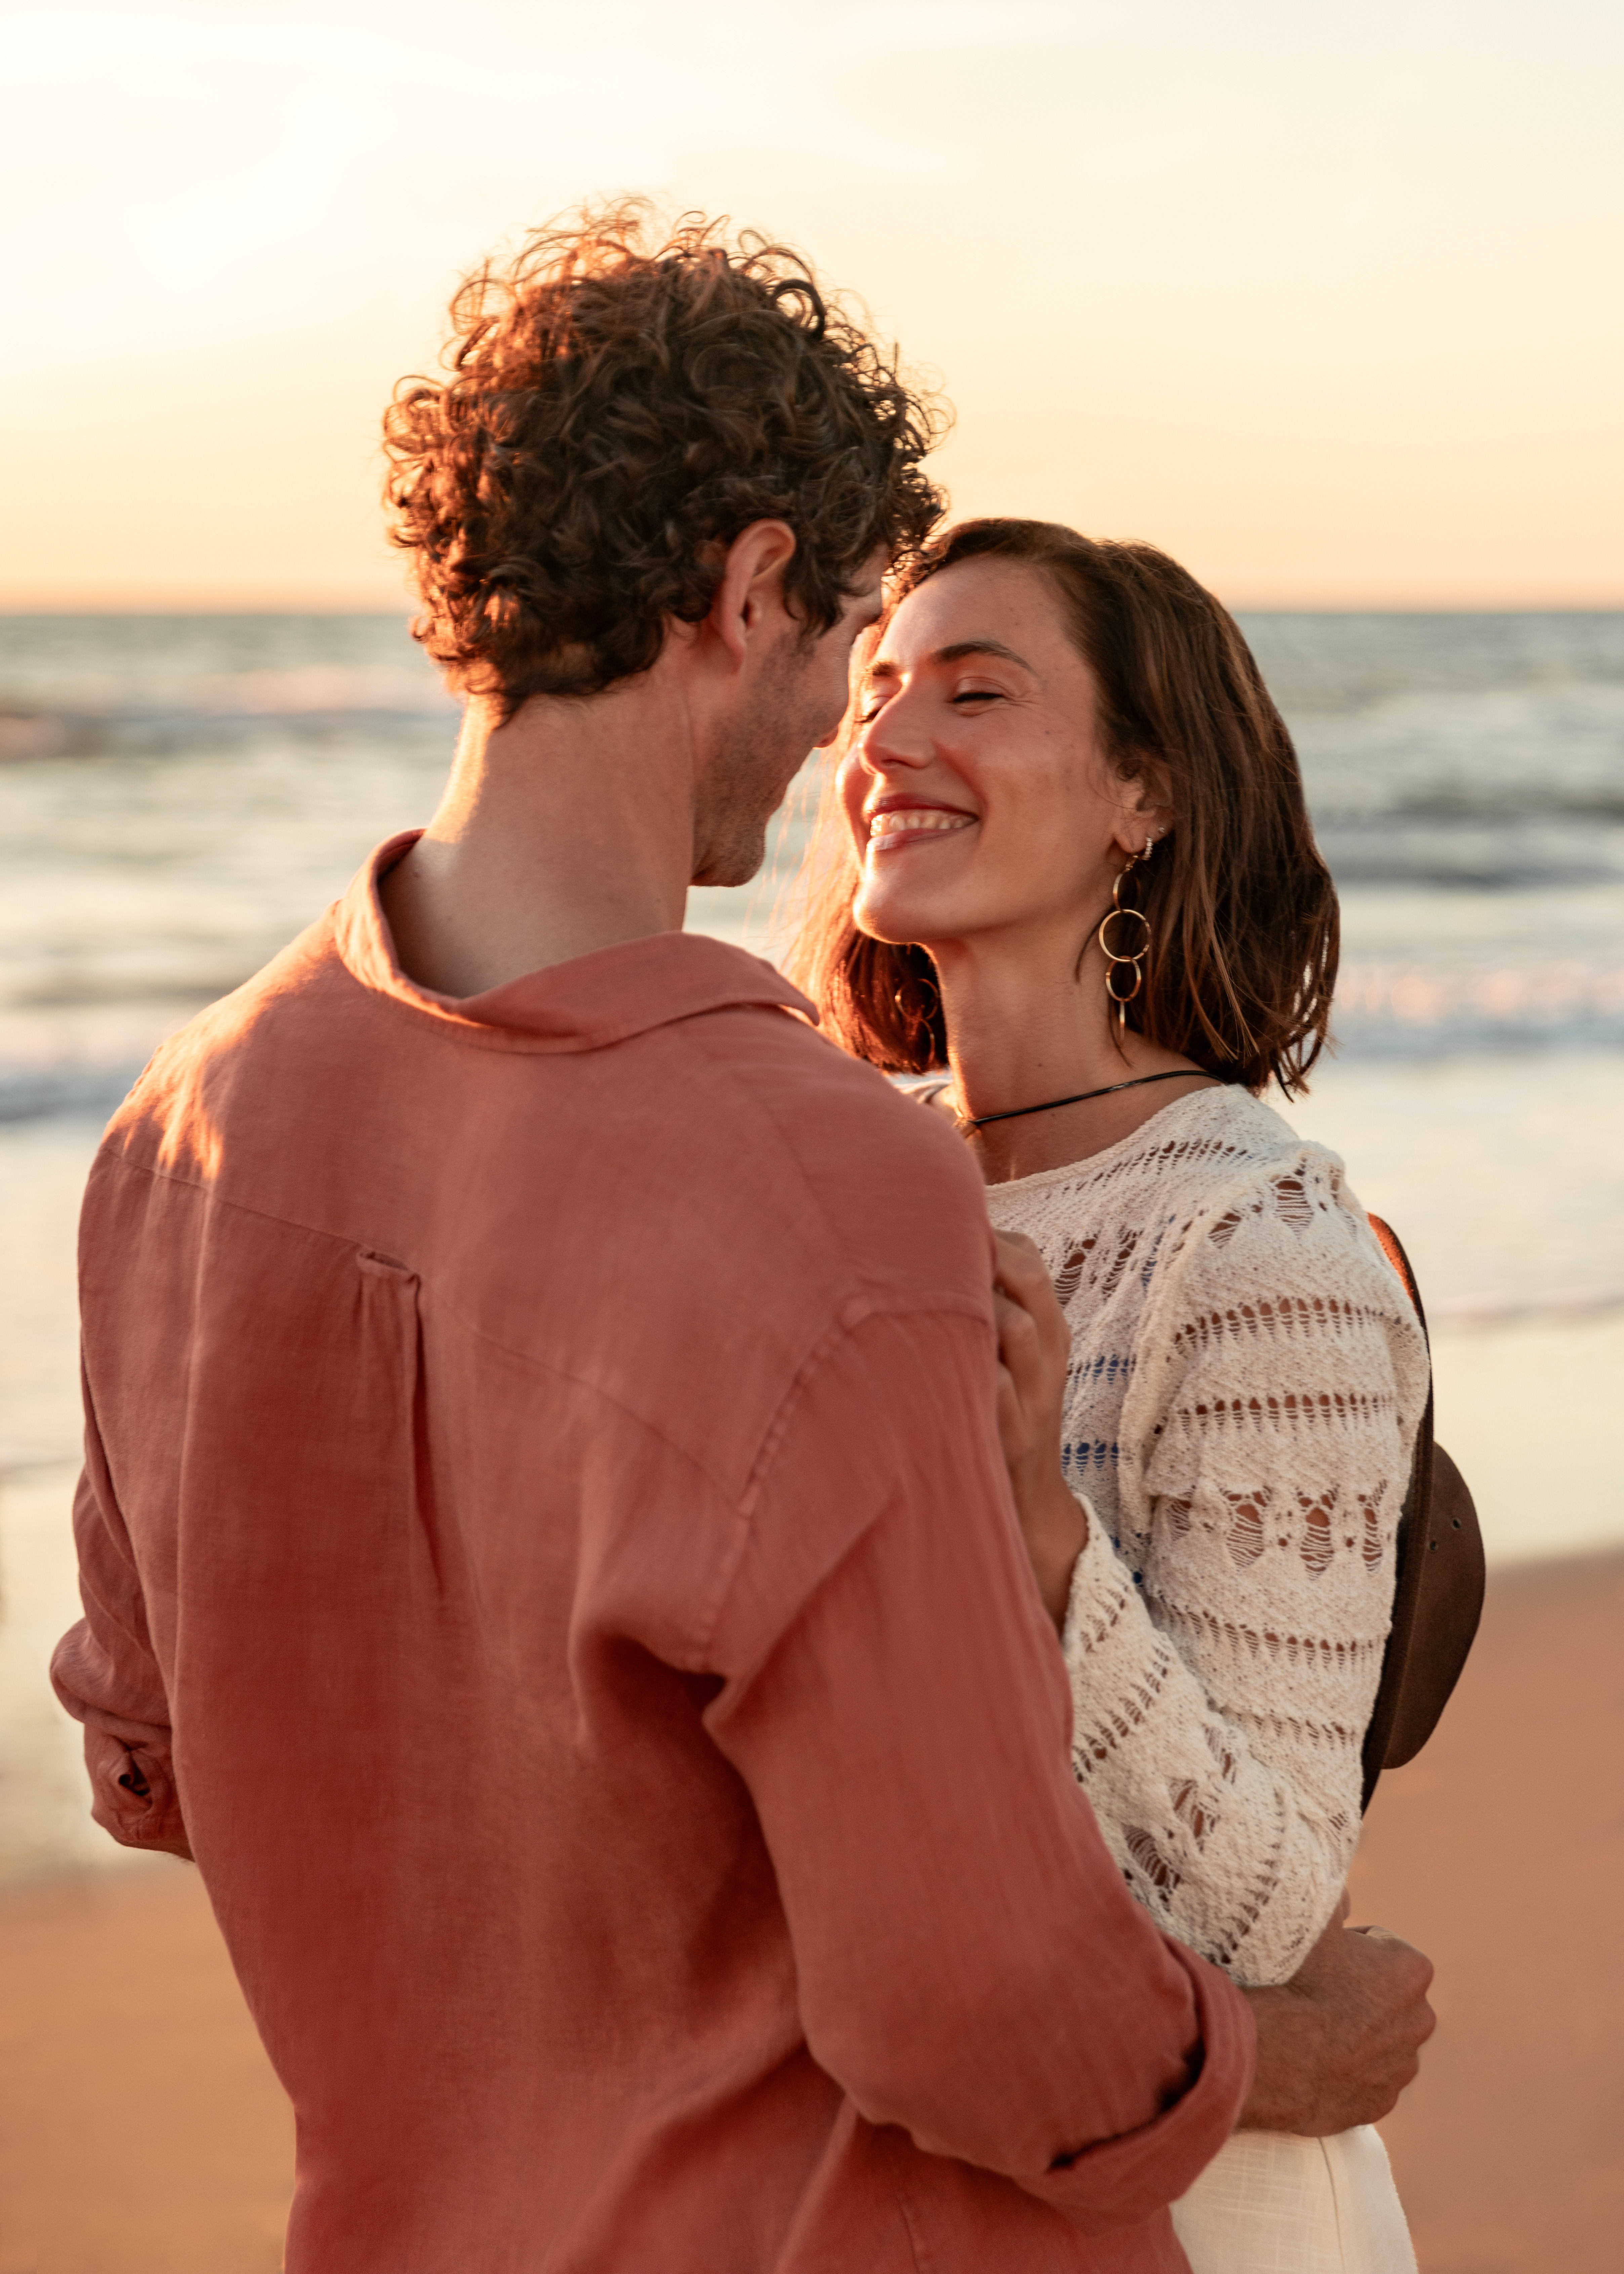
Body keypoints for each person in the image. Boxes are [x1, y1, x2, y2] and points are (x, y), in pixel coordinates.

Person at [51, 214, 1433, 2273]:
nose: (846, 746)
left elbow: (159, 1766)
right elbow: (964, 2006)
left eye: (967, 685)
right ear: (755, 585)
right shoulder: (824, 1186)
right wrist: (1265, 2062)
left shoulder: (172, 1140)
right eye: (855, 647)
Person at [791, 515, 1435, 2272]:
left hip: (1211, 2207)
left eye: (975, 692)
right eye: (874, 690)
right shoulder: (835, 1190)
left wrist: (1042, 1540)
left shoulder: (1256, 1239)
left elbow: (1275, 1914)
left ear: (1141, 796)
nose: (888, 740)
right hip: (906, 2178)